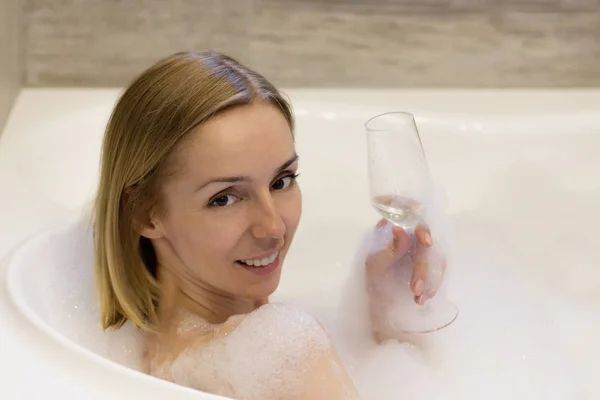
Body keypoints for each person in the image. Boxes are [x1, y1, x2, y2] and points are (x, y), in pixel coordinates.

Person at [93, 51, 444, 399]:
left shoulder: (153, 350)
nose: (274, 227)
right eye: (225, 198)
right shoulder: (287, 358)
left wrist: (383, 303)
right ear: (143, 213)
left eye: (281, 181)